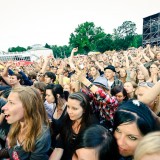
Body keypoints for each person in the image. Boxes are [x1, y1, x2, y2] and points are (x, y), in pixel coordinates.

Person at [1, 86, 51, 159]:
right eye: (7, 101)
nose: (3, 107)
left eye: (11, 103)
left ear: (28, 107)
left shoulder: (41, 136)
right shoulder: (16, 122)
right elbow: (10, 150)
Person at [49, 92, 98, 160]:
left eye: (74, 108)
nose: (69, 111)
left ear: (84, 109)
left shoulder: (92, 126)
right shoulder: (67, 119)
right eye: (68, 107)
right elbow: (59, 147)